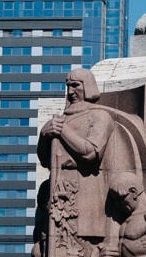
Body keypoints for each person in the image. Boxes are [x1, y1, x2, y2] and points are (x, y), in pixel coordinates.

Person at [35, 69, 116, 257]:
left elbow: (91, 153)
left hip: (86, 198)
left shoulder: (99, 116)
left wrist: (63, 130)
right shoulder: (62, 118)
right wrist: (44, 136)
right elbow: (45, 160)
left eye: (75, 85)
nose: (70, 91)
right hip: (58, 200)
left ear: (87, 86)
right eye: (68, 86)